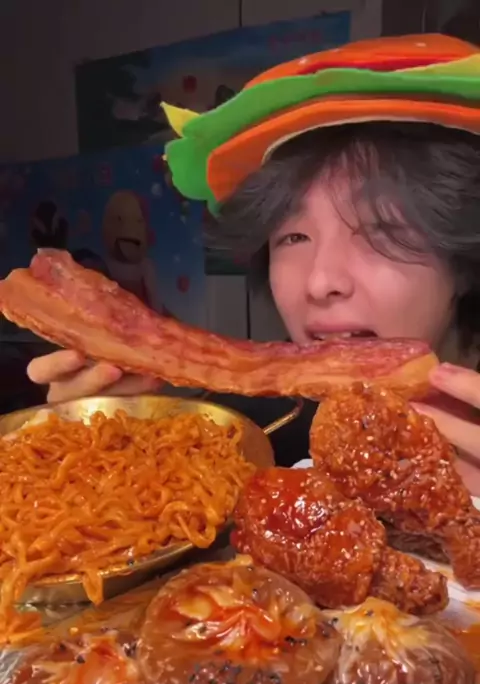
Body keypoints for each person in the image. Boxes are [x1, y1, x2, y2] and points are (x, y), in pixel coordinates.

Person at [26, 33, 480, 492]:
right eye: (293, 236)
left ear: (462, 260)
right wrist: (89, 454)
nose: (320, 281)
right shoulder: (234, 434)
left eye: (381, 230)